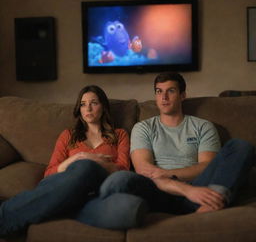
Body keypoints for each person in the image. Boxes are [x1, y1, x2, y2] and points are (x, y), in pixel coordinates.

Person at [100, 72, 255, 216]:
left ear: (183, 95)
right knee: (121, 179)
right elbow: (144, 170)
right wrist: (186, 190)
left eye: (171, 91)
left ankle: (213, 202)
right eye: (159, 91)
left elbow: (207, 166)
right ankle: (214, 203)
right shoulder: (143, 128)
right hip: (159, 192)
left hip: (199, 189)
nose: (164, 97)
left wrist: (168, 173)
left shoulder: (203, 127)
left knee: (240, 146)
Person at [0, 85, 147, 236]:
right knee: (84, 167)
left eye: (94, 103)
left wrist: (95, 163)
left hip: (96, 190)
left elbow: (122, 170)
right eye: (83, 104)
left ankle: (61, 208)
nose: (88, 108)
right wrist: (77, 159)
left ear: (103, 107)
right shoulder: (68, 135)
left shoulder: (119, 135)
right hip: (61, 186)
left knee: (130, 209)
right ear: (79, 109)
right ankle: (3, 217)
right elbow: (49, 174)